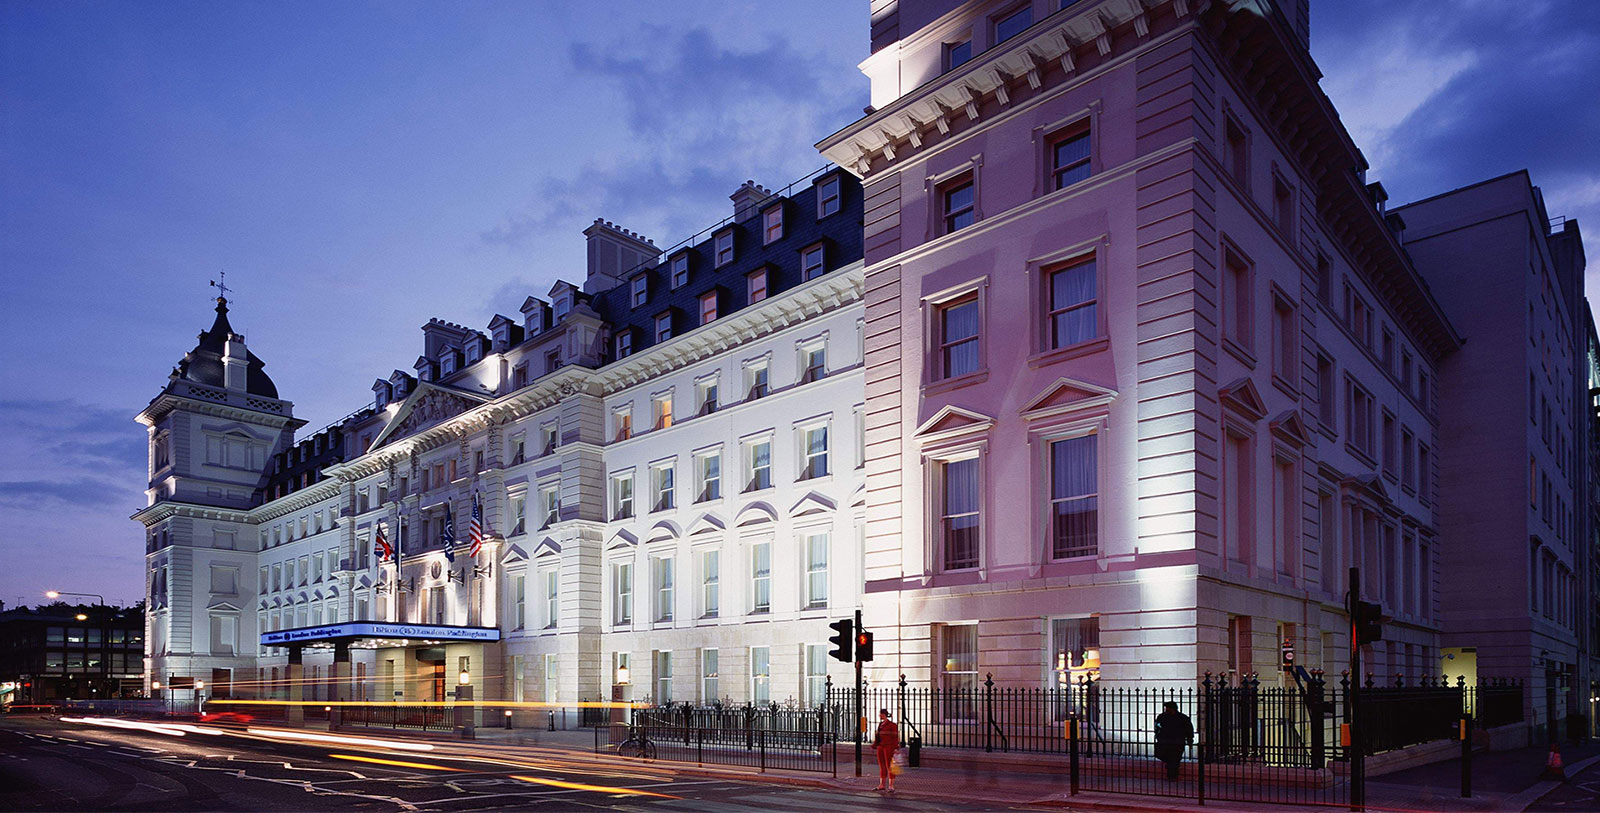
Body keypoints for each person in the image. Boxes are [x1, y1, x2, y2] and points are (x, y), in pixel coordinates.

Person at [1154, 700, 1194, 780]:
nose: (1166, 709)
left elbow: (1189, 730)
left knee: (1175, 759)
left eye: (1167, 708)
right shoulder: (1162, 717)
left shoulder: (1182, 718)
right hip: (1167, 741)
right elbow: (1157, 726)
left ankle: (1172, 775)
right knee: (1169, 758)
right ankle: (1171, 771)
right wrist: (1158, 736)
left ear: (1172, 708)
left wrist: (1190, 740)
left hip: (1176, 742)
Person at [872, 708, 900, 792]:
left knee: (890, 766)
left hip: (889, 747)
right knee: (882, 766)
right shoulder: (881, 724)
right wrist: (875, 745)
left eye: (880, 714)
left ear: (884, 714)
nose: (879, 715)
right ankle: (882, 784)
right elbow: (878, 736)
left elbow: (895, 737)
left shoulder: (892, 725)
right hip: (881, 747)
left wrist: (895, 747)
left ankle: (891, 785)